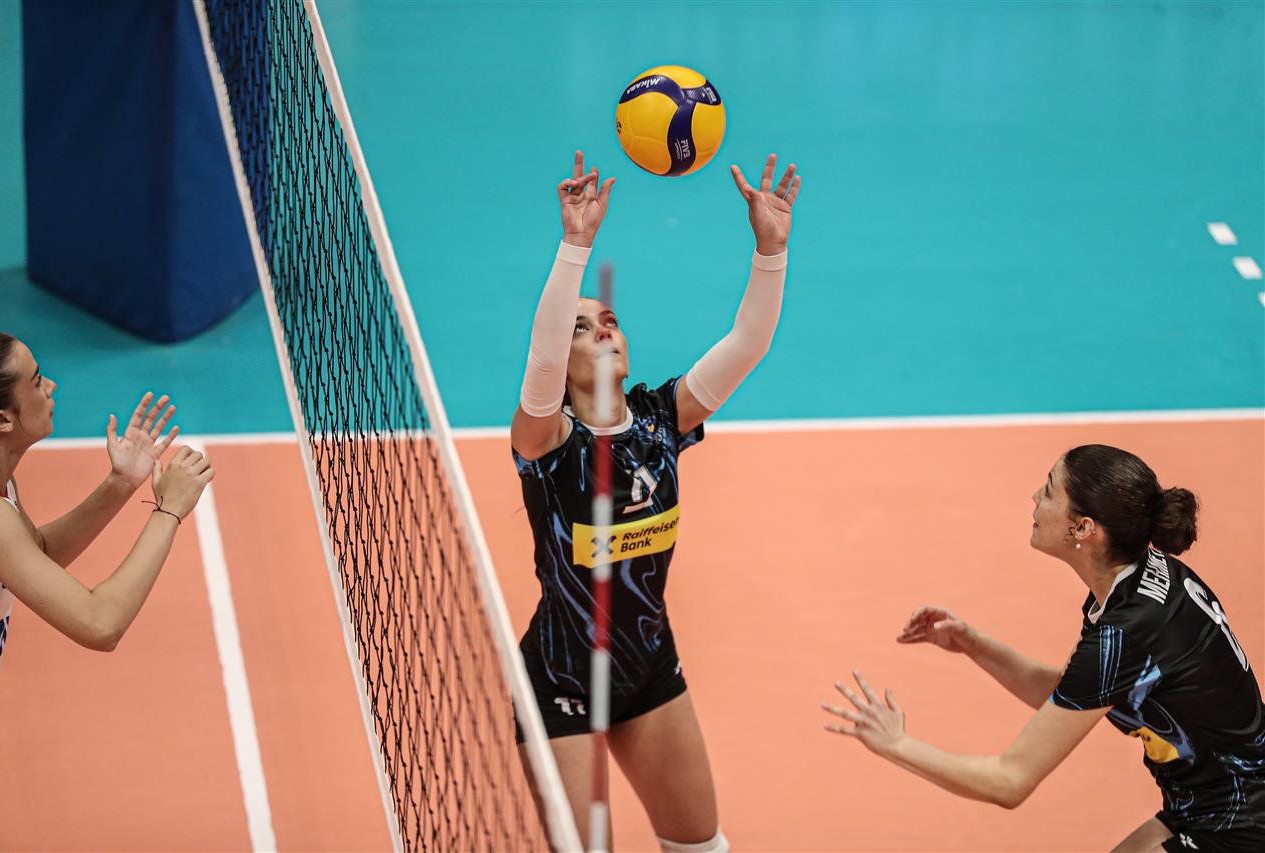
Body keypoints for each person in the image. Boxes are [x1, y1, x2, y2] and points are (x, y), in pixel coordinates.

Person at [510, 150, 800, 850]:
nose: (603, 328)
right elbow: (542, 362)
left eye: (609, 319)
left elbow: (749, 343)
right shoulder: (547, 442)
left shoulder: (662, 419)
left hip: (646, 665)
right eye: (582, 327)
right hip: (561, 679)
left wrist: (771, 251)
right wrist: (575, 244)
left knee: (701, 846)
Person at [823, 444, 1265, 852]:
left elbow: (1009, 781)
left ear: (1083, 528)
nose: (1035, 497)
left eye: (1050, 490)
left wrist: (896, 744)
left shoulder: (1126, 633)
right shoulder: (1143, 579)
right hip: (1208, 804)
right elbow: (1067, 695)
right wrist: (974, 644)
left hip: (1241, 820)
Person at [0, 332, 215, 719]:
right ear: (3, 420)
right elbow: (100, 624)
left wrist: (121, 483)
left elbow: (33, 555)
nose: (50, 385)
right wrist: (169, 511)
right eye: (36, 381)